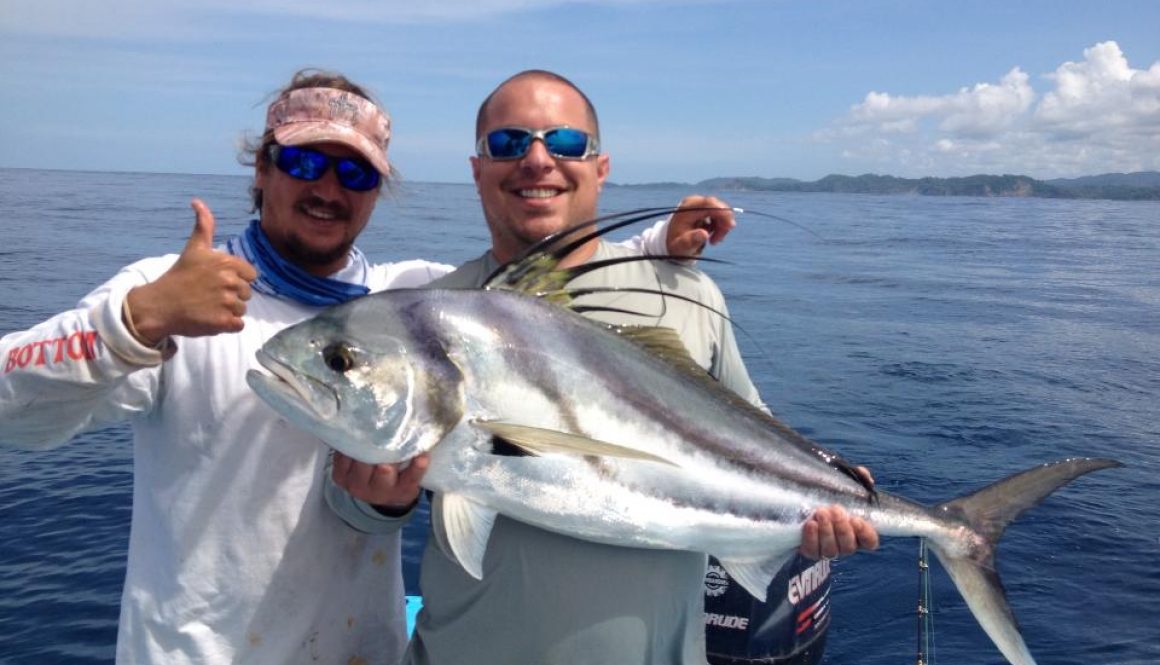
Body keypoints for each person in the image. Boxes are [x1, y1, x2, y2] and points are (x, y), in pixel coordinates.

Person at [0, 69, 702, 665]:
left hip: (365, 649)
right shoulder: (172, 292)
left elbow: (536, 289)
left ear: (376, 188)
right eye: (306, 162)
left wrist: (657, 242)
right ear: (263, 167)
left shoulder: (413, 302)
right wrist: (134, 322)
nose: (329, 188)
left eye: (356, 170)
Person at [330, 69, 879, 665]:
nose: (537, 160)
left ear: (601, 166)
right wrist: (376, 500)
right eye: (508, 143)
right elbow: (358, 513)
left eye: (564, 143)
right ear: (477, 168)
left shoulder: (683, 293)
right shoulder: (432, 311)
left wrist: (828, 488)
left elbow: (752, 431)